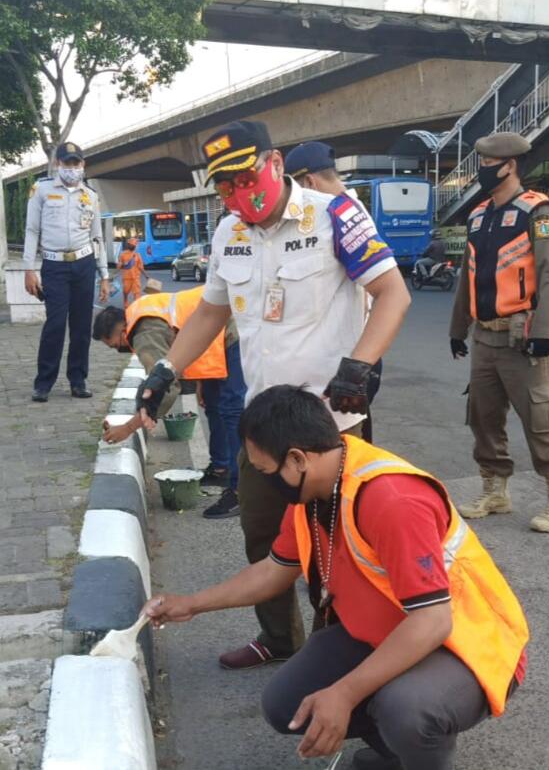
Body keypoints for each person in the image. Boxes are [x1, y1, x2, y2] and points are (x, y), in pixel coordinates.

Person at [136, 120, 411, 670]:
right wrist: (165, 370)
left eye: (245, 178)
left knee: (340, 551)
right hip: (264, 429)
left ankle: (349, 653)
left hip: (330, 425)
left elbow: (392, 292)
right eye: (224, 187)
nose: (238, 196)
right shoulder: (228, 233)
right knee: (262, 536)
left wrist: (359, 365)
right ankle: (281, 642)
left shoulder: (333, 214)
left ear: (276, 162)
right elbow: (212, 311)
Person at [144, 385, 529, 770]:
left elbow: (433, 620)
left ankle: (417, 750)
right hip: (389, 630)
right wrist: (191, 604)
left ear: (296, 459)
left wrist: (344, 694)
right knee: (286, 703)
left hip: (464, 641)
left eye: (265, 472)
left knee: (406, 710)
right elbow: (273, 571)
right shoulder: (315, 491)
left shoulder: (391, 499)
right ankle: (395, 753)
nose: (262, 482)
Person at [449, 131, 549, 533]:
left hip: (522, 338)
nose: (483, 172)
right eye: (482, 164)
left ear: (510, 166)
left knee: (541, 417)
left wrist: (547, 331)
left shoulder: (536, 213)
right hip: (484, 337)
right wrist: (458, 328)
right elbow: (468, 277)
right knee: (483, 418)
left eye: (489, 165)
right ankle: (495, 490)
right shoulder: (478, 215)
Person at [92, 287, 246, 511]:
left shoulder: (144, 333)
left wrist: (127, 428)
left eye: (115, 345)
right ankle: (222, 469)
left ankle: (240, 491)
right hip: (215, 334)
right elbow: (181, 329)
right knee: (214, 406)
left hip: (228, 333)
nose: (119, 350)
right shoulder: (138, 311)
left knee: (232, 410)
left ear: (122, 332)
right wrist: (202, 380)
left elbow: (165, 388)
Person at [285, 140, 384, 442]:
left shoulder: (343, 214)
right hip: (354, 356)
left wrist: (356, 367)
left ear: (308, 182)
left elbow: (389, 292)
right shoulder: (347, 209)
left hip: (349, 358)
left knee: (340, 445)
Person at [23, 142, 110, 402]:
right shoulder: (42, 190)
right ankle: (44, 383)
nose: (72, 168)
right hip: (54, 265)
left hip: (84, 264)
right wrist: (29, 268)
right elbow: (32, 231)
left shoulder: (90, 196)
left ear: (82, 165)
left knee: (82, 326)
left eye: (76, 163)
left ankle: (78, 380)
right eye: (67, 163)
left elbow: (97, 238)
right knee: (55, 325)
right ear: (57, 164)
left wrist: (104, 275)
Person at [116, 237, 148, 304]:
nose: (132, 246)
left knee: (137, 293)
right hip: (127, 278)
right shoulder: (123, 254)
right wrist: (121, 265)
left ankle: (136, 306)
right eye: (131, 244)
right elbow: (118, 266)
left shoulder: (137, 255)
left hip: (136, 278)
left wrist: (146, 275)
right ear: (128, 245)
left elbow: (140, 267)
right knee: (125, 291)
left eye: (134, 245)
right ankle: (125, 301)